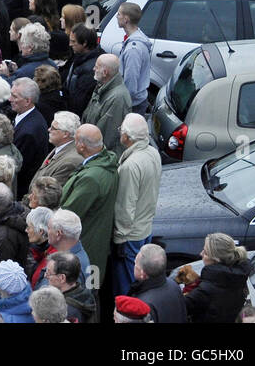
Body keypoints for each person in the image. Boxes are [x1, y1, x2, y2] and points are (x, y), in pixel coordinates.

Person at [57, 124, 119, 286]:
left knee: (86, 291)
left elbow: (69, 214)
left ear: (82, 146)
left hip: (86, 244)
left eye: (75, 140)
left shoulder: (91, 178)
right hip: (96, 242)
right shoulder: (105, 162)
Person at [111, 113, 161, 297]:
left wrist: (120, 238)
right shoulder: (152, 152)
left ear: (127, 137)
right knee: (140, 280)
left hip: (130, 235)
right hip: (145, 227)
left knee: (127, 285)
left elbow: (125, 205)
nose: (119, 135)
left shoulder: (130, 165)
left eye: (121, 131)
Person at [183, 233, 255, 323]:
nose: (201, 254)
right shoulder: (239, 278)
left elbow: (181, 308)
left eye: (205, 252)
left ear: (216, 259)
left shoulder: (207, 289)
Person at [83, 54, 132, 152]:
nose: (93, 69)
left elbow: (106, 137)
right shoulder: (102, 87)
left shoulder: (118, 99)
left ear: (105, 72)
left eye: (96, 67)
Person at [128, 243, 187, 323]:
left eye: (135, 264)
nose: (134, 266)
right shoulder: (174, 285)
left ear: (142, 274)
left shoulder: (143, 306)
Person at [114, 2, 152, 116]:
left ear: (126, 19)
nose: (117, 16)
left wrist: (124, 104)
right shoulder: (135, 39)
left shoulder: (133, 49)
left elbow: (131, 81)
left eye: (119, 14)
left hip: (133, 105)